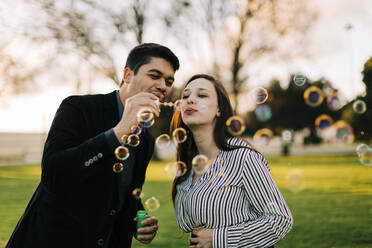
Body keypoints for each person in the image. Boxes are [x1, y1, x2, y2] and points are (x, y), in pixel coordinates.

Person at [6, 43, 180, 248]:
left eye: (169, 81)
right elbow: (54, 173)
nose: (163, 86)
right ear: (127, 75)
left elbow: (124, 193)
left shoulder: (146, 139)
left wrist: (136, 222)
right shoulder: (78, 108)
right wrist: (118, 132)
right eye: (154, 75)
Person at [170, 74, 293, 248]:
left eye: (202, 95)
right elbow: (191, 227)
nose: (190, 100)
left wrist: (218, 238)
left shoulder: (242, 157)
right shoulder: (189, 164)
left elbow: (280, 220)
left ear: (219, 109)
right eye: (186, 96)